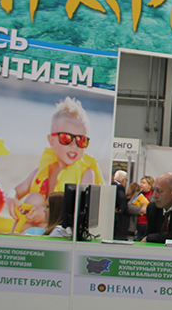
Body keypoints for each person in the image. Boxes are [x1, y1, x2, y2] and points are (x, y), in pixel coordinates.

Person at [11, 97, 103, 232]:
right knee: (34, 198)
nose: (74, 146)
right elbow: (16, 191)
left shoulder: (86, 173)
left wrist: (46, 215)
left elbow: (83, 210)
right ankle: (16, 240)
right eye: (66, 138)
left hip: (63, 233)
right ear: (52, 141)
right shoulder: (45, 169)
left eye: (81, 140)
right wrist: (10, 199)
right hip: (37, 231)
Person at [111, 171, 129, 240]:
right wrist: (120, 210)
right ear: (123, 180)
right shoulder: (119, 189)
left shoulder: (111, 186)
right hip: (119, 221)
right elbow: (122, 200)